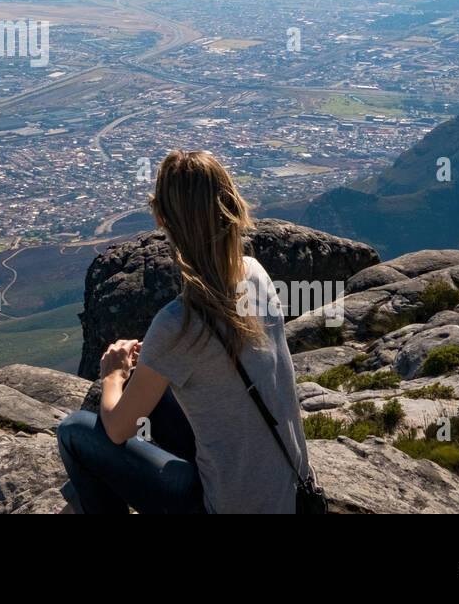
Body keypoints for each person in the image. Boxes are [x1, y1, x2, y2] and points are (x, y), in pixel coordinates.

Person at [58, 149, 311, 513]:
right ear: (232, 205)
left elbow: (116, 430)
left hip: (226, 505)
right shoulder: (254, 274)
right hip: (290, 491)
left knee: (75, 432)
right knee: (149, 391)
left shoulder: (177, 324)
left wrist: (112, 375)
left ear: (160, 217)